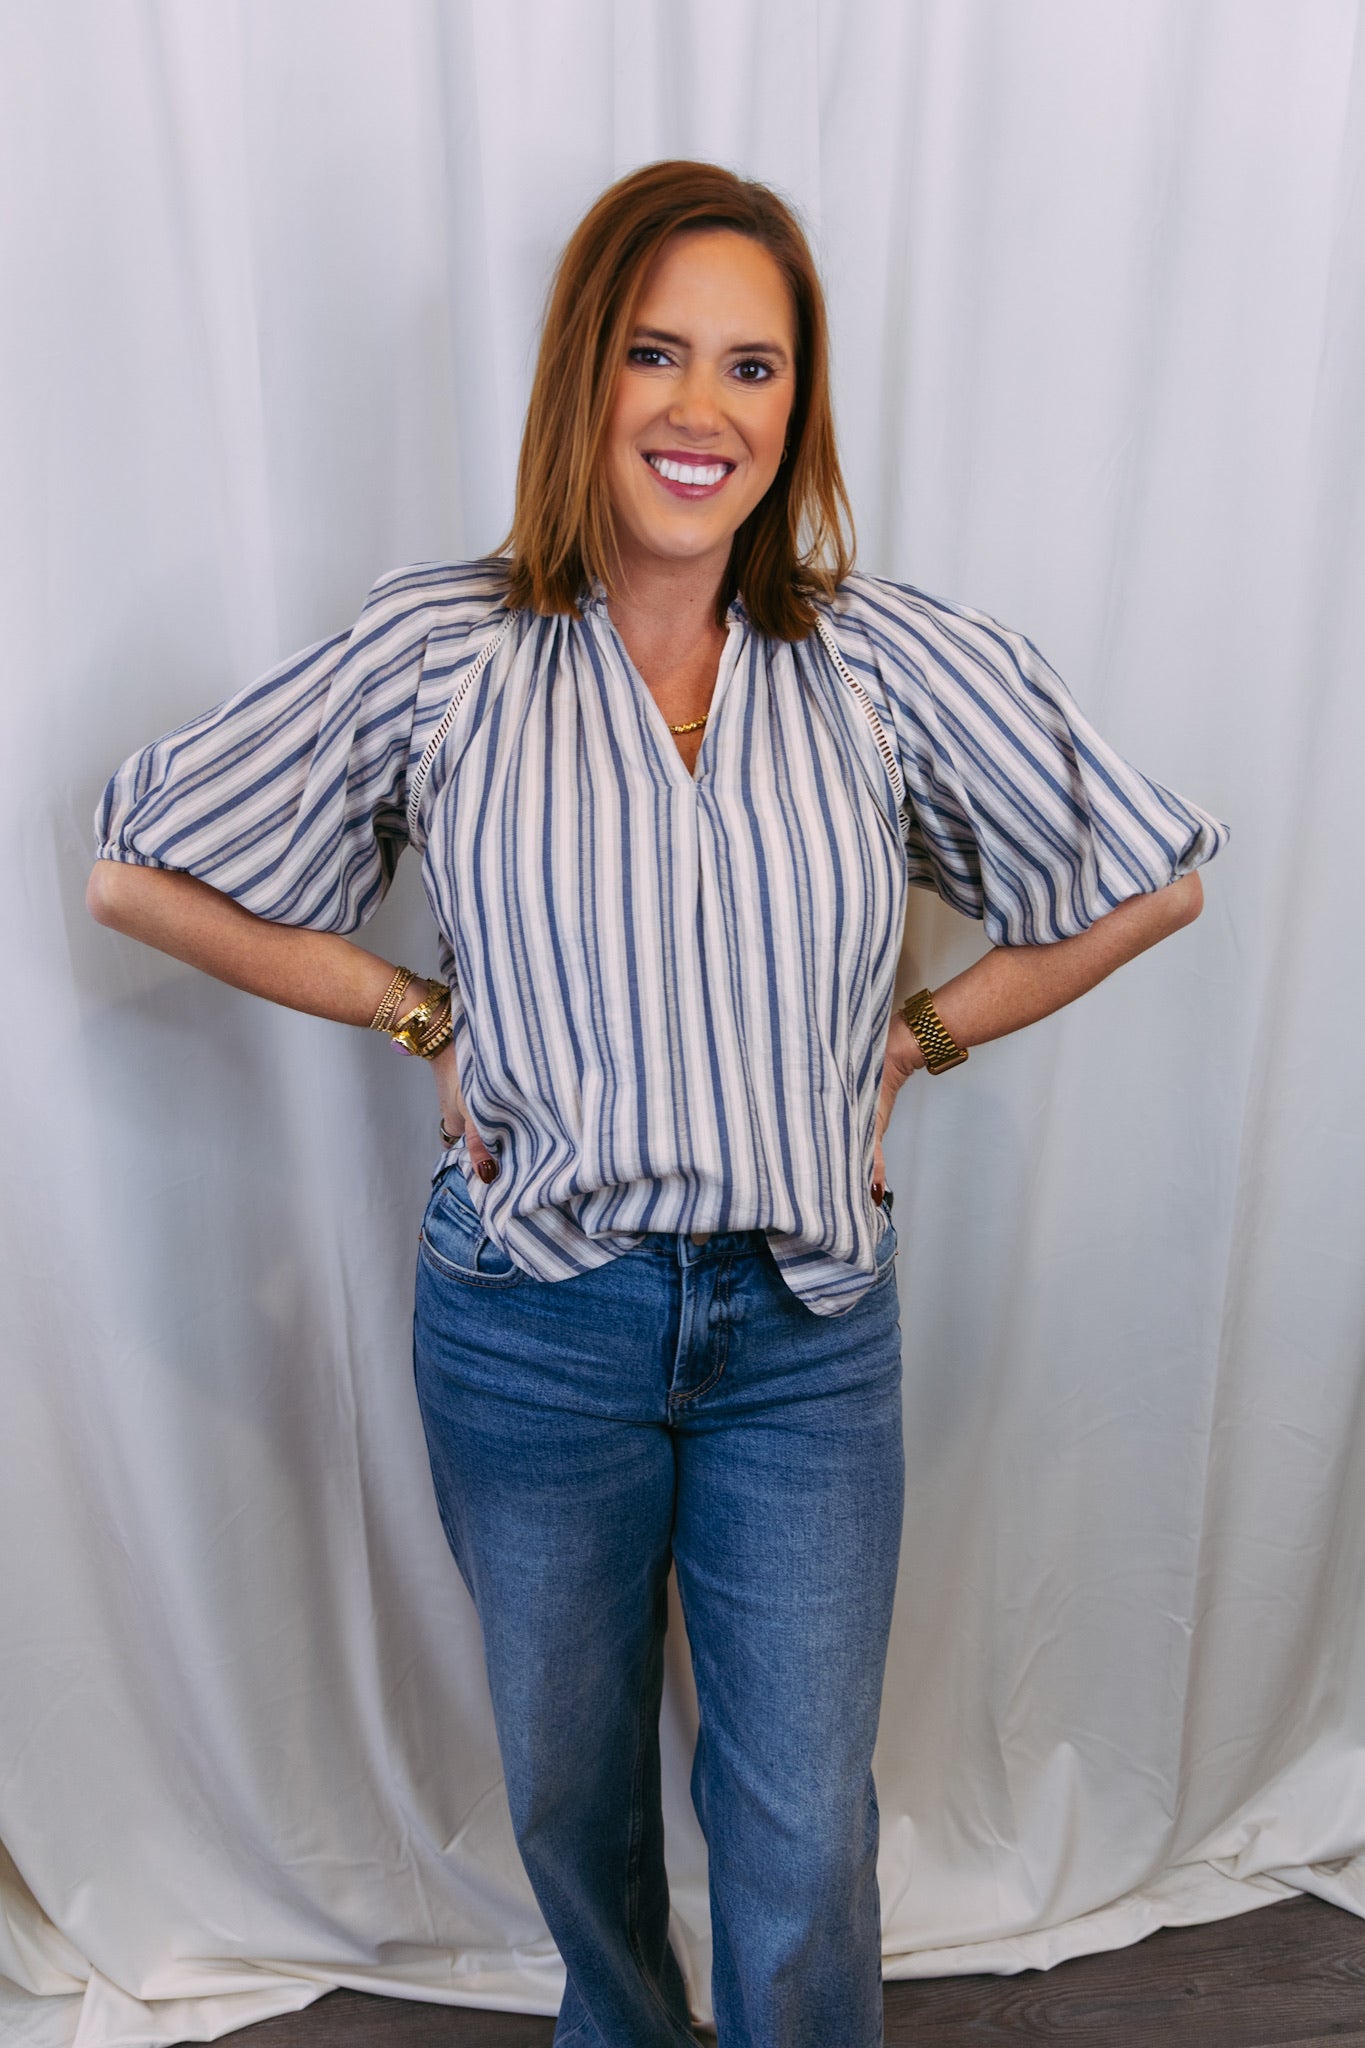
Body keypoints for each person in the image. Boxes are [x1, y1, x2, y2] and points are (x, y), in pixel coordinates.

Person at [87, 160, 1227, 2048]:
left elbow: (1148, 871)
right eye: (657, 356)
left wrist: (918, 1036)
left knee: (802, 1836)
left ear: (799, 407)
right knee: (570, 1795)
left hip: (802, 1334)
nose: (703, 413)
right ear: (581, 379)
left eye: (754, 370)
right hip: (533, 1328)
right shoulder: (442, 652)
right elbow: (142, 867)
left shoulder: (874, 659)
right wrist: (406, 1006)